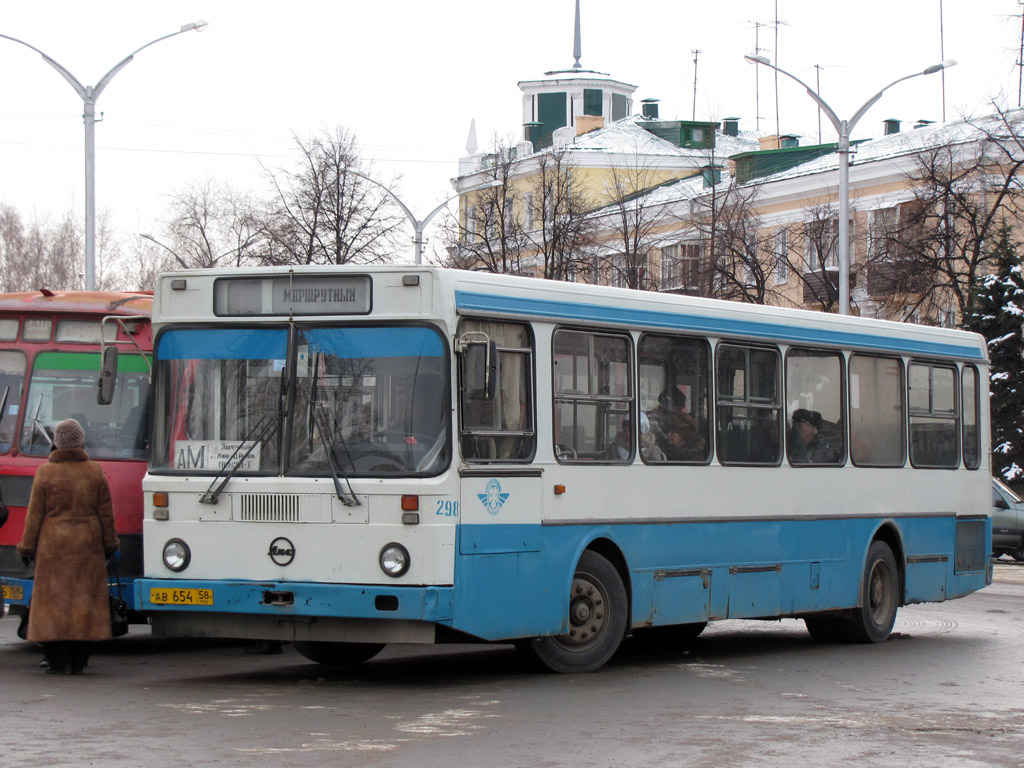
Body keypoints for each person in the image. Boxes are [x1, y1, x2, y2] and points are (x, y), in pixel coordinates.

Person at [17, 418, 118, 675]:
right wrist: (110, 543)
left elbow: (34, 515)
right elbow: (106, 514)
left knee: (53, 604)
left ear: (57, 442)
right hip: (88, 545)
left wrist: (27, 547)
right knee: (83, 603)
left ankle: (57, 660)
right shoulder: (94, 471)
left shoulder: (45, 473)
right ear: (81, 440)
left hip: (53, 547)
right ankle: (79, 661)